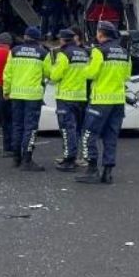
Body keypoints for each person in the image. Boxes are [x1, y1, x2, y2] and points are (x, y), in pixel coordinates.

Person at [75, 20, 132, 184]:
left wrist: (85, 67)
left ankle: (92, 169)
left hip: (100, 101)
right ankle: (107, 172)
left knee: (88, 134)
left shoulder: (99, 52)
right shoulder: (124, 53)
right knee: (111, 137)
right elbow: (127, 76)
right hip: (118, 101)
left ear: (100, 34)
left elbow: (90, 74)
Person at [4, 26, 51, 171]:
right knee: (30, 128)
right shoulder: (43, 53)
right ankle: (27, 160)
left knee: (17, 126)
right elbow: (48, 73)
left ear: (25, 37)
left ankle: (16, 158)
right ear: (38, 39)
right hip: (33, 96)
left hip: (16, 95)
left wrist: (6, 90)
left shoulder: (14, 51)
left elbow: (7, 73)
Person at [48, 28, 90, 172]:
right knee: (77, 130)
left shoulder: (64, 54)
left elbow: (55, 76)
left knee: (67, 129)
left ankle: (69, 159)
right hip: (81, 97)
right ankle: (77, 156)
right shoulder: (84, 53)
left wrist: (52, 68)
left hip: (66, 97)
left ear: (63, 40)